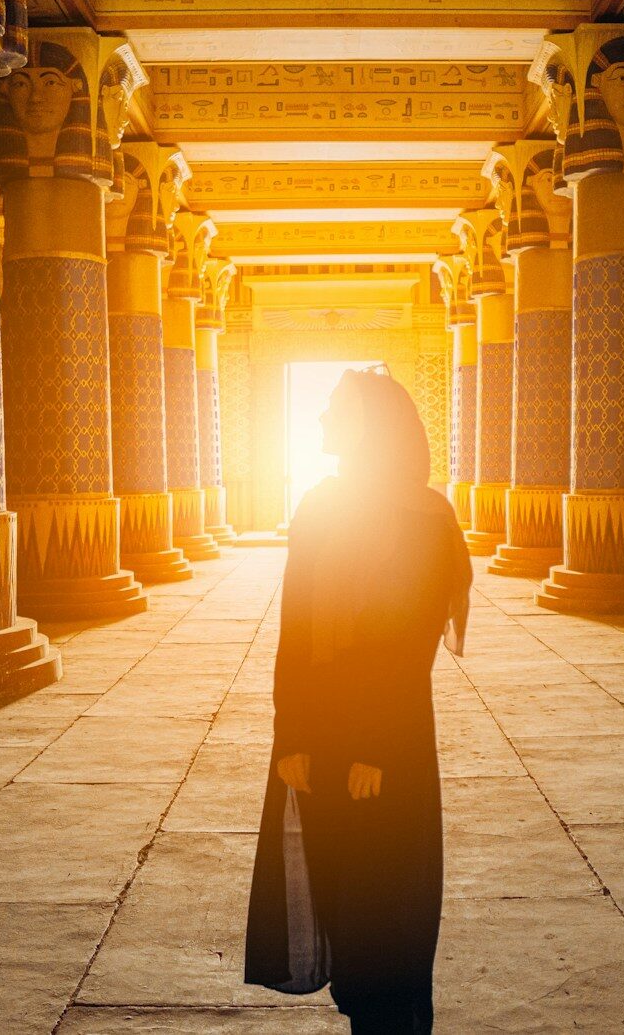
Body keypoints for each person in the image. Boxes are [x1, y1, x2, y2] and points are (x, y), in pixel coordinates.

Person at [245, 367, 473, 1034]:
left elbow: (408, 643)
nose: (321, 422)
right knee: (343, 888)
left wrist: (377, 746)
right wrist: (293, 736)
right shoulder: (320, 506)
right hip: (323, 735)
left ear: (368, 425)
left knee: (388, 897)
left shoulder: (426, 516)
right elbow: (294, 632)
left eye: (335, 411)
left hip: (388, 738)